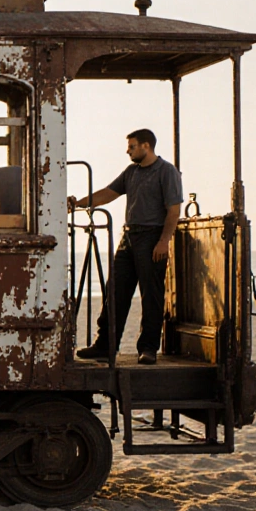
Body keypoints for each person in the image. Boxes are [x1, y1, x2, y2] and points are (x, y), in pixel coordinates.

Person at [68, 129, 183, 364]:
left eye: (132, 146)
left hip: (152, 237)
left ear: (146, 146)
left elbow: (174, 210)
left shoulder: (166, 171)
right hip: (129, 236)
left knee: (151, 295)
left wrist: (163, 241)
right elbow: (108, 194)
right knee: (115, 292)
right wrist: (78, 204)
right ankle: (105, 345)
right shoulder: (131, 172)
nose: (128, 151)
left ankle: (148, 348)